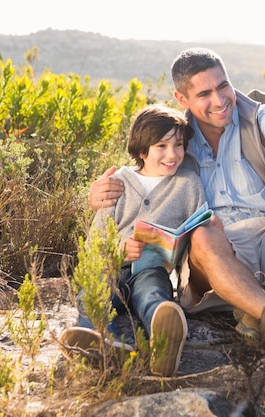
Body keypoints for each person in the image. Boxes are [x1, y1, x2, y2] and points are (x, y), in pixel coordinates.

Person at [89, 47, 265, 349]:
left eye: (223, 86)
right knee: (202, 234)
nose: (220, 100)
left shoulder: (256, 118)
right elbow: (140, 182)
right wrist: (98, 196)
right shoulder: (175, 143)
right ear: (182, 99)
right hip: (214, 263)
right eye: (204, 94)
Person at [63, 104, 205, 377]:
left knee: (152, 295)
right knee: (93, 296)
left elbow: (197, 229)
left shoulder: (188, 183)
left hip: (152, 269)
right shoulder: (118, 182)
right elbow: (97, 241)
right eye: (161, 146)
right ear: (142, 151)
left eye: (178, 145)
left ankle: (164, 339)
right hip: (110, 267)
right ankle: (103, 343)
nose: (173, 154)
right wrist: (119, 249)